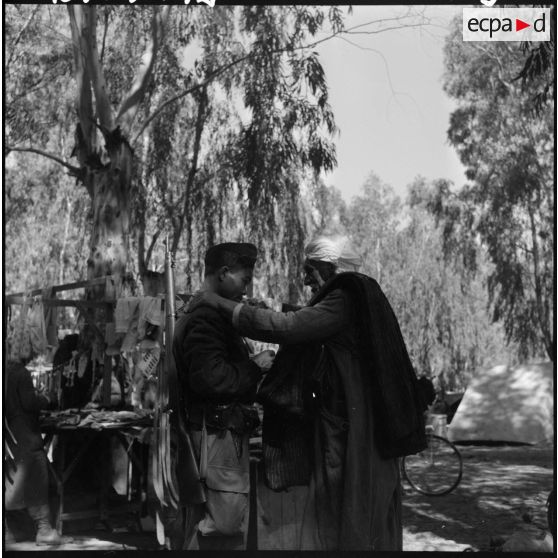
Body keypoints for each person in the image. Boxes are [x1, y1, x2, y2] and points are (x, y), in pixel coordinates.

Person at [190, 234, 427, 551]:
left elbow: (288, 327)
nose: (304, 279)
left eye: (310, 270)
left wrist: (219, 303)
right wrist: (267, 311)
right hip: (350, 425)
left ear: (329, 268)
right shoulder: (355, 294)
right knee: (352, 508)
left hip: (352, 432)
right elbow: (304, 320)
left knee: (351, 509)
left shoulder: (346, 296)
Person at [172, 242, 275, 550]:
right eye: (243, 280)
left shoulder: (201, 312)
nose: (246, 289)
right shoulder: (206, 318)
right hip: (215, 434)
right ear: (223, 273)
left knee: (214, 523)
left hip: (215, 432)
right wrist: (255, 367)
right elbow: (212, 379)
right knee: (224, 524)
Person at [4, 352, 66, 546]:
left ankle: (10, 530)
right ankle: (44, 529)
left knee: (12, 475)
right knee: (36, 472)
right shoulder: (19, 372)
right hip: (23, 435)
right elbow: (29, 402)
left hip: (11, 433)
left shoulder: (6, 370)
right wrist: (47, 399)